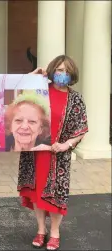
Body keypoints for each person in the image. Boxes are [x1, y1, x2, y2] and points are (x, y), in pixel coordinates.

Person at [17, 55, 89, 250]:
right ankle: (41, 230)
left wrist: (67, 144)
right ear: (52, 71)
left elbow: (82, 127)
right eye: (58, 70)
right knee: (37, 191)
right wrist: (32, 76)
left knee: (57, 194)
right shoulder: (40, 91)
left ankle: (55, 232)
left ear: (71, 74)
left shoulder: (75, 99)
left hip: (58, 155)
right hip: (36, 152)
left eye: (66, 71)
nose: (62, 74)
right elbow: (15, 94)